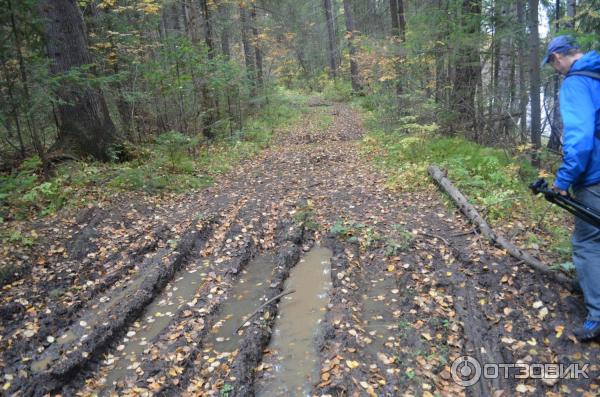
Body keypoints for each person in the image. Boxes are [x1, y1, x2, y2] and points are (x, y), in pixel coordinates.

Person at [542, 35, 600, 341]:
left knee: (588, 243)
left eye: (553, 64)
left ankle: (598, 316)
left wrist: (563, 181)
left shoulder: (576, 83)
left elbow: (580, 139)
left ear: (557, 57)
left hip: (595, 177)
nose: (555, 70)